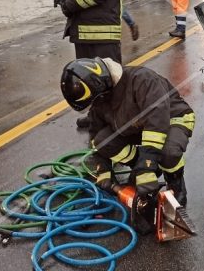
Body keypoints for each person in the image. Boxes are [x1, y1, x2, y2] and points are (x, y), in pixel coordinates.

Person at [60, 57, 194, 208]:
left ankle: (175, 182)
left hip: (173, 118)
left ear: (100, 87)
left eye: (95, 101)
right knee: (103, 141)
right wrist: (103, 169)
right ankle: (142, 166)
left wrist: (147, 165)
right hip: (139, 126)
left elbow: (157, 121)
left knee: (168, 152)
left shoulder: (142, 79)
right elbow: (95, 134)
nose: (95, 105)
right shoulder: (101, 98)